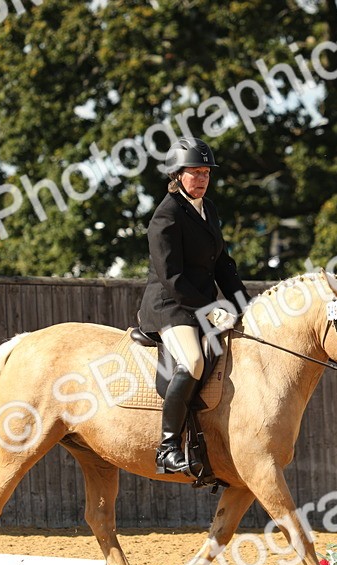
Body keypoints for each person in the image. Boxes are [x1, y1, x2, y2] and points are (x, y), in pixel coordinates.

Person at [138, 137, 251, 475]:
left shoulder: (208, 209)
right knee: (194, 360)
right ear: (177, 175)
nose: (201, 179)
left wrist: (245, 305)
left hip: (200, 304)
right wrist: (210, 308)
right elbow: (172, 278)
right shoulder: (166, 216)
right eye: (194, 173)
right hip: (170, 306)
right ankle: (168, 447)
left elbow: (222, 266)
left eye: (205, 172)